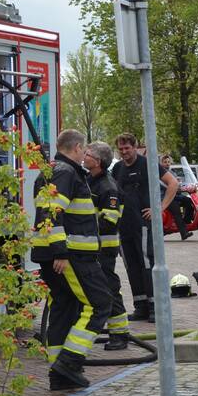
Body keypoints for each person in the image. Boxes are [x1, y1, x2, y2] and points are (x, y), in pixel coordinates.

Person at [31, 129, 111, 390]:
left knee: (64, 308)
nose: (84, 153)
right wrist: (61, 252)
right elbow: (52, 213)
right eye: (83, 149)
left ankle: (60, 375)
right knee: (99, 305)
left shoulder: (53, 171)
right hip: (72, 256)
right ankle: (69, 362)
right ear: (76, 147)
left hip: (57, 254)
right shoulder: (66, 172)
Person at [112, 133, 179, 323]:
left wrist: (159, 208)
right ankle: (140, 306)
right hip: (123, 225)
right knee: (131, 266)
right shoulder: (117, 169)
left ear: (135, 147)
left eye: (127, 148)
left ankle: (154, 307)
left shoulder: (146, 164)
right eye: (121, 149)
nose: (124, 152)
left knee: (146, 264)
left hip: (142, 225)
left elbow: (173, 183)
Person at [84, 141, 131, 351]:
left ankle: (119, 335)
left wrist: (80, 224)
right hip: (92, 247)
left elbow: (109, 220)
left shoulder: (108, 187)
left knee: (109, 289)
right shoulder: (89, 180)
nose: (84, 156)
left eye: (88, 154)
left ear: (98, 161)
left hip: (104, 248)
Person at [159, 153, 192, 241]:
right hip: (165, 197)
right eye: (165, 162)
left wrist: (185, 186)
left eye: (169, 162)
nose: (167, 164)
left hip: (175, 194)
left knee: (188, 201)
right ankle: (183, 233)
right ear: (161, 163)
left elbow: (177, 183)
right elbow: (166, 185)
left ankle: (186, 221)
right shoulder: (160, 173)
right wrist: (175, 186)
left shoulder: (172, 172)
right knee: (176, 210)